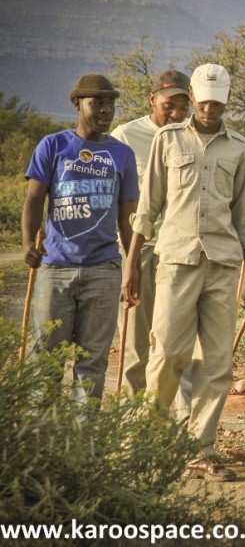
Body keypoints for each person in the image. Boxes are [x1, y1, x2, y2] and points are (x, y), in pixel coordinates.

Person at [122, 63, 245, 482]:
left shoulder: (239, 148)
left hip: (222, 265)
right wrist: (131, 263)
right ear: (194, 99)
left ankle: (201, 448)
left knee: (217, 362)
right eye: (204, 103)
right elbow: (148, 209)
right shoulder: (168, 139)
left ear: (226, 101)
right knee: (166, 355)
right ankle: (149, 442)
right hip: (176, 261)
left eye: (218, 103)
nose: (210, 110)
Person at [22, 73, 138, 405]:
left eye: (110, 104)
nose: (105, 110)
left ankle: (84, 444)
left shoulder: (122, 154)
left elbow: (128, 218)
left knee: (92, 363)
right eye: (97, 103)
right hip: (55, 268)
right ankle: (42, 440)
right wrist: (29, 243)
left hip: (103, 271)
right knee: (46, 361)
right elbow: (34, 199)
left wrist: (133, 266)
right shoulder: (53, 145)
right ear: (78, 104)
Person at [110, 70, 191, 394]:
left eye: (184, 106)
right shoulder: (125, 137)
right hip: (137, 251)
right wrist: (126, 256)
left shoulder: (193, 135)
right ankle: (132, 427)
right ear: (153, 99)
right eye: (169, 104)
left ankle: (168, 422)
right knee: (135, 342)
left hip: (180, 253)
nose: (176, 113)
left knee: (174, 341)